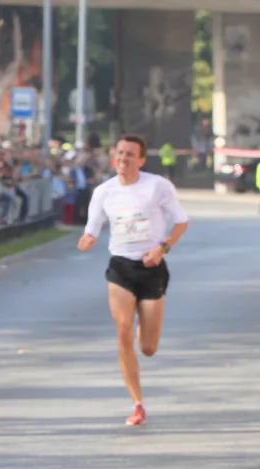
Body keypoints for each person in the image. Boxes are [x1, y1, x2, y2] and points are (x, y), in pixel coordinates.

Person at [77, 134, 189, 426]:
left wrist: (162, 248)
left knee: (148, 348)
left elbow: (181, 221)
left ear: (141, 160)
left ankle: (144, 328)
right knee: (122, 330)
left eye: (130, 154)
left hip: (152, 266)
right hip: (121, 266)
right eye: (120, 153)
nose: (123, 159)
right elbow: (93, 227)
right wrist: (88, 239)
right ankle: (137, 403)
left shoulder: (157, 186)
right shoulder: (104, 192)